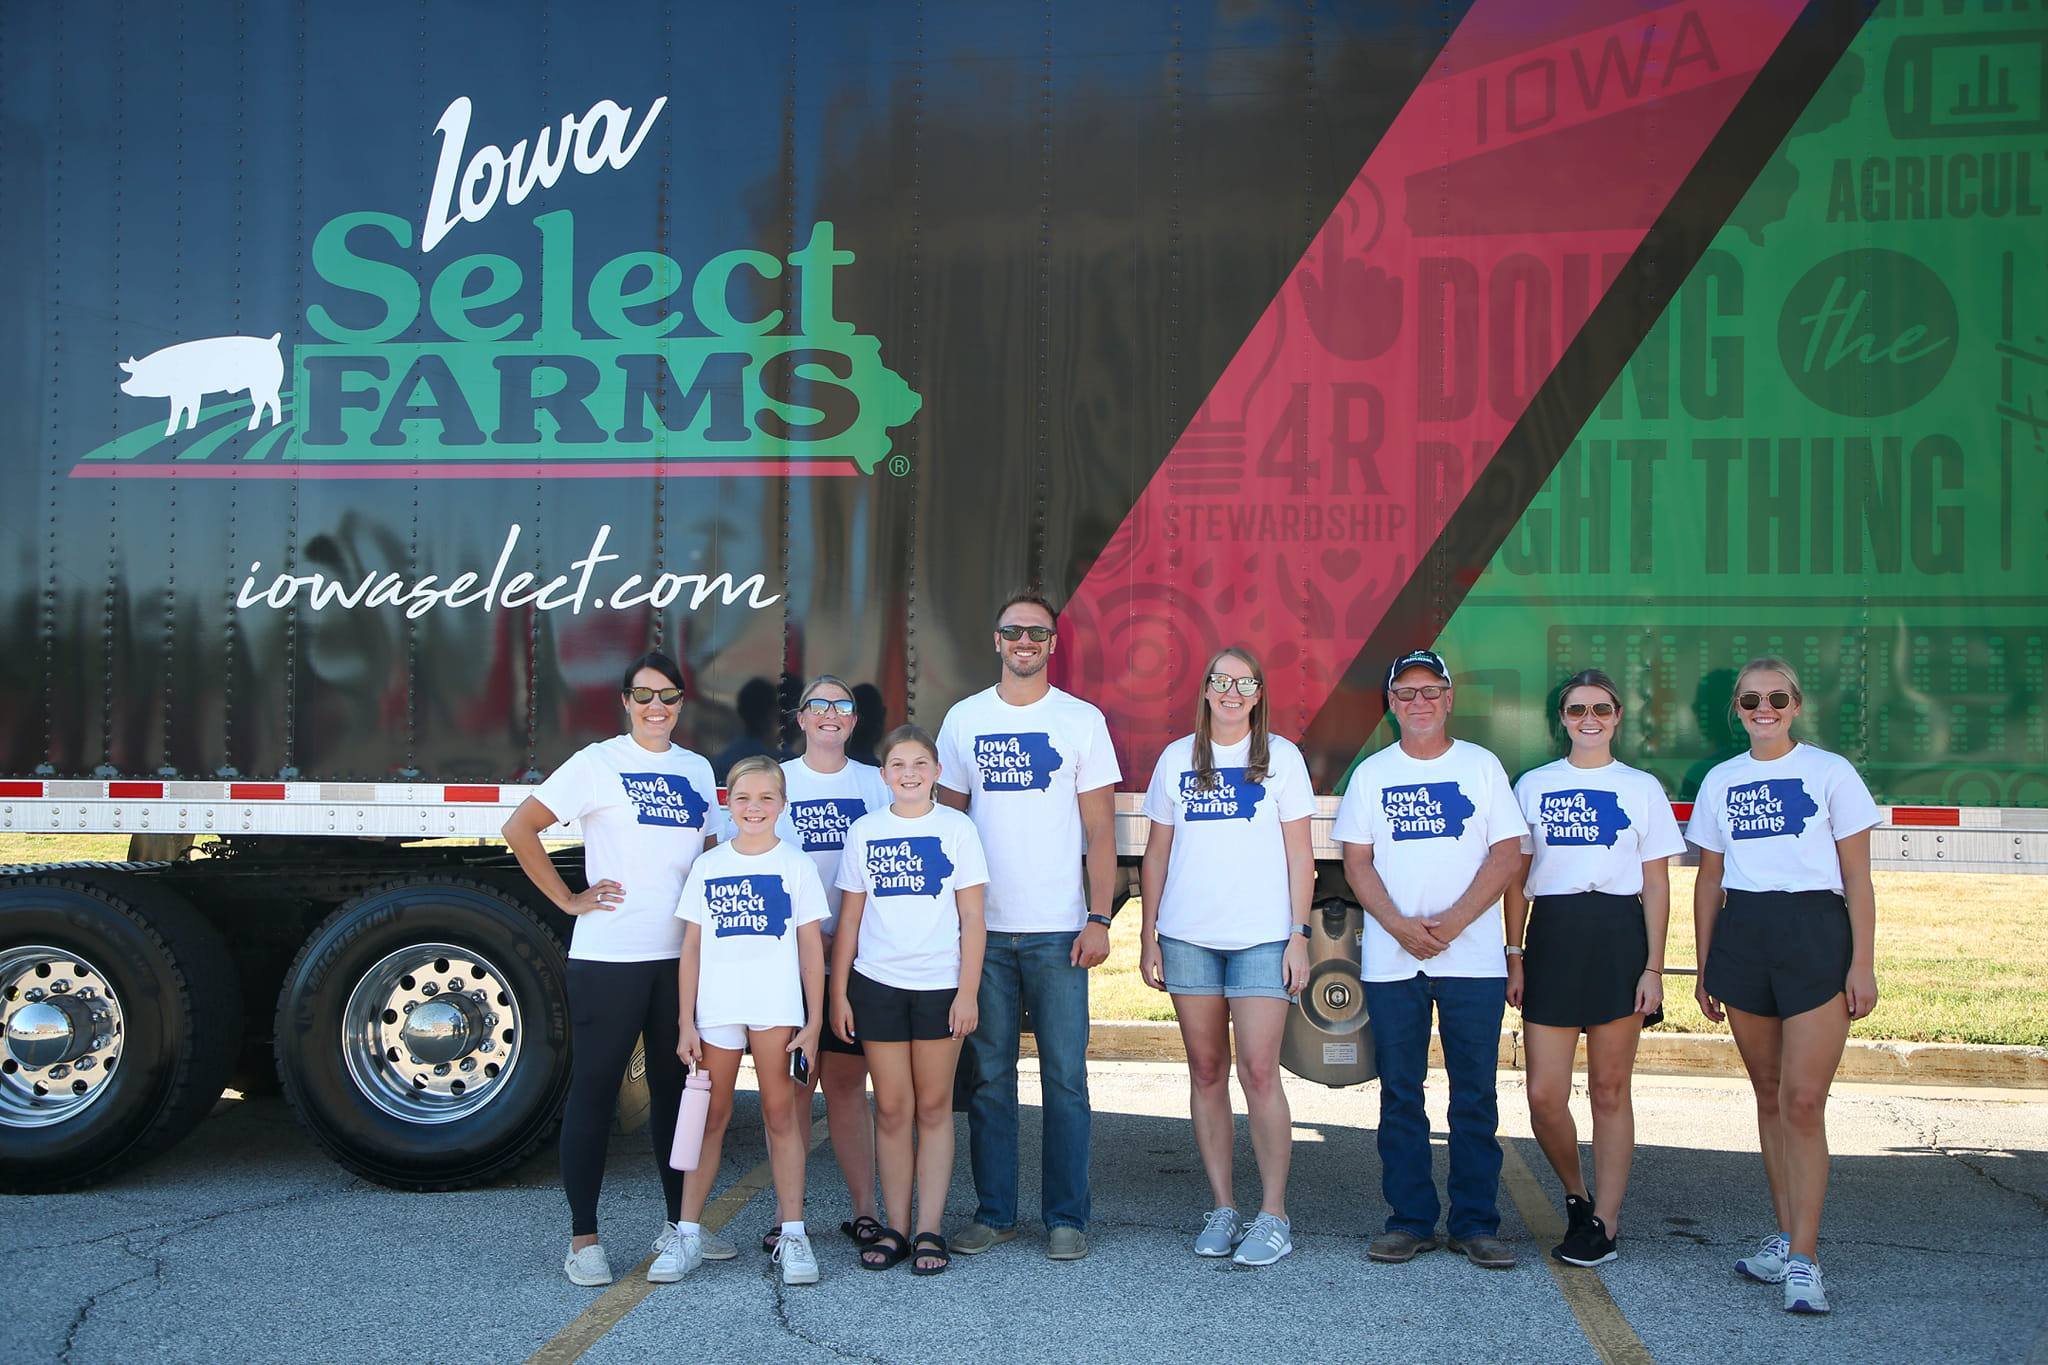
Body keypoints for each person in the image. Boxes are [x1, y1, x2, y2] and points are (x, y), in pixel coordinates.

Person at [501, 652, 729, 1287]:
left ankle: (678, 1228)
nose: (657, 708)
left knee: (676, 1095)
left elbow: (709, 857)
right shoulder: (597, 763)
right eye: (644, 696)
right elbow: (520, 828)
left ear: (683, 703)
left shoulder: (695, 767)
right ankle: (583, 1239)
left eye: (669, 697)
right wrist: (570, 900)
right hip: (608, 957)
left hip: (677, 960)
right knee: (596, 1093)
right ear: (625, 702)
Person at [936, 587, 1121, 1261]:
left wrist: (1099, 916)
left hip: (1058, 930)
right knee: (989, 1075)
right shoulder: (963, 720)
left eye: (1038, 633)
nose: (1025, 641)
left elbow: (1101, 831)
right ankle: (995, 1213)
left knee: (1066, 1078)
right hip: (985, 932)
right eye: (1014, 630)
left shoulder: (1081, 721)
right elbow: (946, 829)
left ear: (1051, 644)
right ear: (996, 639)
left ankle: (1066, 1217)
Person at [1691, 657, 1879, 1315]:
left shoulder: (1831, 772)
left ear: (1796, 704)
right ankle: (1785, 1235)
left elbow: (1857, 878)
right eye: (1750, 699)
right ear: (1737, 709)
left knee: (1803, 1100)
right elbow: (1708, 879)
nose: (1762, 708)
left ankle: (1806, 1258)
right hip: (1745, 936)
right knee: (1768, 1096)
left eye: (1776, 697)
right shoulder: (1722, 779)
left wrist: (1862, 963)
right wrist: (1708, 964)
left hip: (1813, 933)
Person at [1334, 648, 1527, 1270]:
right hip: (1394, 961)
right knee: (1401, 1092)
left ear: (1449, 699)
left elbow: (1507, 855)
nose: (1419, 702)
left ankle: (1476, 1223)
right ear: (1391, 705)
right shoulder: (1372, 774)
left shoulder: (1482, 766)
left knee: (1474, 1094)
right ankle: (1409, 1221)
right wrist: (1398, 927)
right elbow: (1356, 862)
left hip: (1470, 958)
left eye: (1430, 691)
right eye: (1406, 693)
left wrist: (1453, 923)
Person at [1139, 646, 1314, 1266]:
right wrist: (1149, 933)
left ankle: (1273, 1215)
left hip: (1264, 938)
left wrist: (1299, 934)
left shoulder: (1282, 759)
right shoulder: (1176, 759)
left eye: (1244, 682)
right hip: (1188, 937)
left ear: (1259, 693)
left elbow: (1301, 856)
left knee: (1259, 1074)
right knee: (1207, 1072)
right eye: (1221, 681)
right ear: (1206, 691)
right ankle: (1222, 1206)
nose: (1232, 692)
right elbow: (1156, 853)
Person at [1504, 669, 1686, 1267]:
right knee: (1544, 1095)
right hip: (1552, 938)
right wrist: (1515, 954)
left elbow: (1657, 884)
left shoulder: (1641, 788)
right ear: (1562, 718)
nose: (1590, 719)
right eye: (1578, 709)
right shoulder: (1533, 784)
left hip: (1618, 939)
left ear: (1617, 717)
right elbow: (1516, 883)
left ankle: (1606, 1221)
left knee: (1610, 1090)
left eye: (1601, 710)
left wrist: (1654, 968)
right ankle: (1577, 1196)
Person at [664, 755, 829, 1286]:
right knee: (710, 1118)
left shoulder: (796, 865)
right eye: (743, 798)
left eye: (766, 798)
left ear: (783, 805)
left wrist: (814, 1019)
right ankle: (687, 1233)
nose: (754, 808)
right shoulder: (709, 865)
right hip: (716, 1010)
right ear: (726, 804)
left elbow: (811, 950)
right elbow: (691, 947)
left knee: (781, 1117)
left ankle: (794, 1234)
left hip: (776, 1009)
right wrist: (686, 1022)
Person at [831, 725, 989, 1274]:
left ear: (937, 773)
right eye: (898, 764)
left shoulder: (957, 829)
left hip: (940, 987)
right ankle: (896, 1226)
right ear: (883, 775)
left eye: (920, 764)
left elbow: (973, 917)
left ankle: (930, 1228)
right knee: (893, 1109)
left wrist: (967, 992)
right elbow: (849, 919)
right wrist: (838, 994)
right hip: (876, 985)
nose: (910, 774)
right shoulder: (865, 831)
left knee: (933, 1107)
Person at [756, 675, 892, 1258]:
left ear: (854, 721)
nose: (831, 714)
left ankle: (865, 1212)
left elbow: (893, 861)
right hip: (792, 963)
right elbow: (750, 864)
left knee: (844, 1087)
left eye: (843, 706)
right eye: (820, 705)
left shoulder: (876, 784)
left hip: (859, 963)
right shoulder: (776, 783)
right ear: (802, 718)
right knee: (792, 1090)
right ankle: (791, 1218)